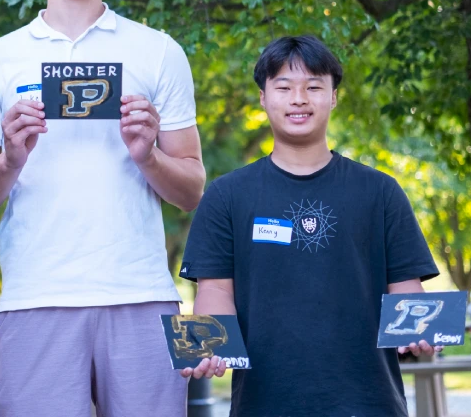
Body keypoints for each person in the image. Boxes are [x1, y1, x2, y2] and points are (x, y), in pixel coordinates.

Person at [0, 0, 206, 416]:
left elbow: (191, 190)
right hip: (34, 298)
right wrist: (10, 159)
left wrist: (147, 155)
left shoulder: (158, 51)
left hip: (141, 296)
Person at [179, 35, 440, 416]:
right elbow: (215, 288)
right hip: (264, 402)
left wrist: (424, 331)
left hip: (370, 401)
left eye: (314, 86)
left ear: (333, 97)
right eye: (283, 87)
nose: (299, 98)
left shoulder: (380, 191)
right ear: (263, 98)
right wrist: (213, 346)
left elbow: (405, 290)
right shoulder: (226, 195)